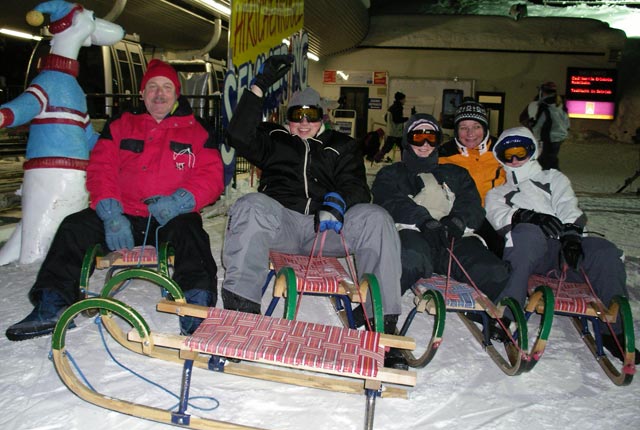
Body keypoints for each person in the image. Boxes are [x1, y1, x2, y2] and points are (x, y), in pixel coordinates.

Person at [5, 59, 224, 341]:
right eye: (153, 87)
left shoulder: (197, 130)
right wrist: (109, 211)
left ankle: (196, 306)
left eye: (167, 87)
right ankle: (52, 304)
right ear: (142, 94)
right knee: (74, 226)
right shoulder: (122, 124)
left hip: (170, 216)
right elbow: (101, 167)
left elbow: (212, 175)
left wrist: (180, 201)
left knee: (192, 233)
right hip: (122, 214)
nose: (159, 94)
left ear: (176, 93)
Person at [223, 55, 405, 367]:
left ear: (323, 118)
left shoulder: (342, 145)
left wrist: (337, 204)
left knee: (377, 218)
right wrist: (258, 87)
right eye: (297, 115)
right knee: (250, 205)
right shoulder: (274, 139)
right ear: (287, 118)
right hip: (283, 223)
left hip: (328, 230)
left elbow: (357, 186)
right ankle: (242, 313)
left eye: (311, 115)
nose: (304, 123)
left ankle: (384, 326)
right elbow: (237, 135)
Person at [485, 126, 637, 363]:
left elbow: (567, 203)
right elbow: (498, 218)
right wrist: (526, 216)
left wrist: (572, 235)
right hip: (530, 254)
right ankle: (507, 312)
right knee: (526, 233)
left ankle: (613, 331)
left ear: (531, 152)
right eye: (507, 154)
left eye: (520, 152)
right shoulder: (498, 193)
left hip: (566, 251)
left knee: (606, 252)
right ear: (500, 156)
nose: (514, 160)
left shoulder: (552, 178)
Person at [371, 113, 511, 306]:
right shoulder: (392, 173)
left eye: (431, 138)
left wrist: (458, 221)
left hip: (452, 237)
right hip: (413, 232)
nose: (425, 144)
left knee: (493, 270)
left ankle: (492, 317)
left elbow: (471, 202)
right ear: (407, 140)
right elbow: (389, 200)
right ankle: (382, 311)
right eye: (418, 137)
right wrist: (423, 220)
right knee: (409, 261)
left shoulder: (455, 173)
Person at [439, 99, 506, 256]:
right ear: (456, 130)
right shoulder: (443, 155)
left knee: (502, 246)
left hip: (495, 213)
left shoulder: (501, 151)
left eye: (476, 127)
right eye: (464, 128)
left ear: (485, 127)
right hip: (461, 215)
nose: (470, 134)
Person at [519, 81, 570, 170]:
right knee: (551, 158)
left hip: (546, 137)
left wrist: (533, 132)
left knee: (544, 160)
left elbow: (539, 122)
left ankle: (550, 178)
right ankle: (553, 176)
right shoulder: (560, 104)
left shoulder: (541, 105)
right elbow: (567, 122)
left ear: (542, 91)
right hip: (559, 137)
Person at [372, 91, 408, 163]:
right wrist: (407, 119)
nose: (405, 101)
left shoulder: (392, 107)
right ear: (400, 99)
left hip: (392, 131)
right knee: (397, 147)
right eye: (404, 99)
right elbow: (397, 120)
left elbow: (386, 118)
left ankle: (376, 158)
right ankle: (376, 158)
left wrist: (390, 124)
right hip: (395, 133)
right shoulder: (398, 107)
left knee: (388, 147)